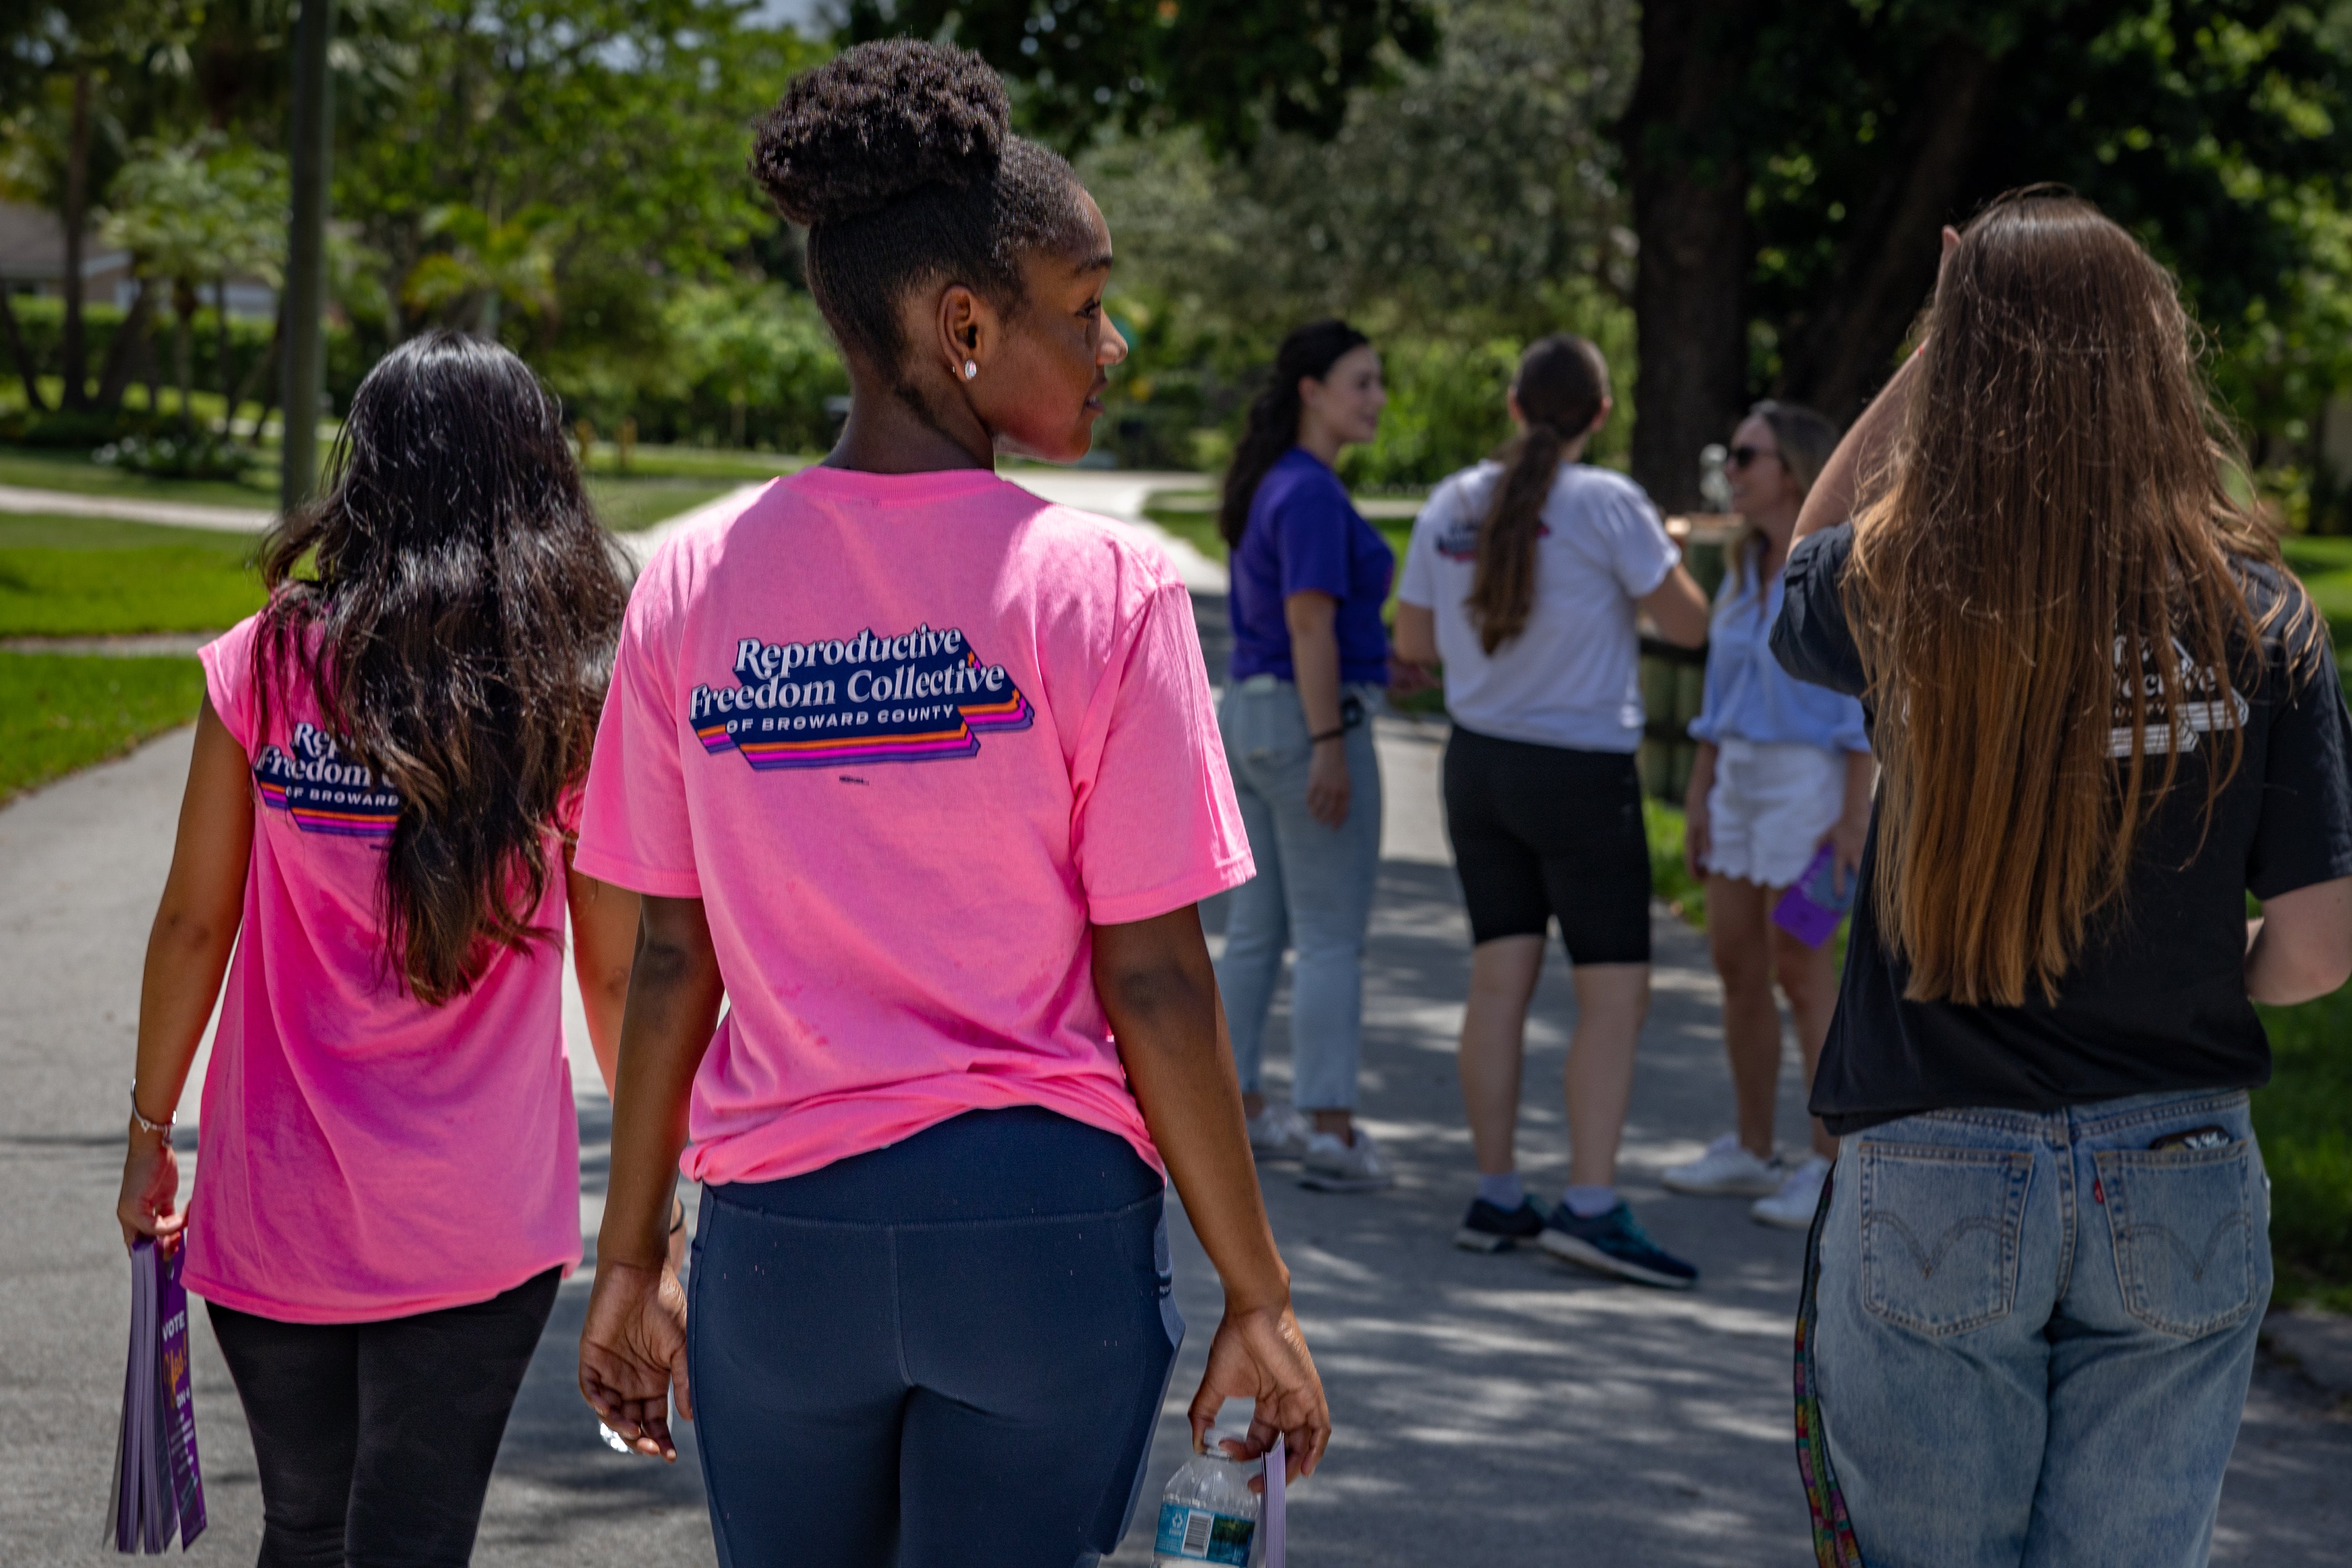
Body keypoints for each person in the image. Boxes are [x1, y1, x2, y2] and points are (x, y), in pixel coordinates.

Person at [571, 41, 1330, 1568]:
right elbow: (1160, 976)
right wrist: (1259, 1298)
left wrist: (631, 1258)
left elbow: (669, 958)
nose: (1113, 344)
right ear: (965, 323)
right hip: (1037, 1239)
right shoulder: (1100, 587)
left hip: (783, 1256)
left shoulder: (694, 587)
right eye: (1089, 302)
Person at [1776, 191, 2352, 1567]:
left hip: (1933, 1160)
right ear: (2160, 358)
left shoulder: (1905, 583)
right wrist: (2193, 967)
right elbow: (2324, 946)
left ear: (1963, 369)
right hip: (2182, 1161)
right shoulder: (2263, 613)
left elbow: (1799, 559)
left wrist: (1941, 339)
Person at [112, 331, 641, 1567]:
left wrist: (151, 1135)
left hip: (272, 1204)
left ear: (372, 470)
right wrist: (651, 1205)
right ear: (538, 474)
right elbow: (616, 970)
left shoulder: (270, 661)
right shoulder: (573, 686)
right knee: (413, 1537)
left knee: (302, 1523)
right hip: (479, 1221)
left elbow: (196, 917)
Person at [1392, 334, 1713, 1287]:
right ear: (1600, 415)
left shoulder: (1452, 501)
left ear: (1513, 405)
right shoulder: (1609, 502)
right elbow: (1690, 625)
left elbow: (1415, 639)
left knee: (1501, 982)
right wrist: (1659, 552)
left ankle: (1497, 1194)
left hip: (1479, 766)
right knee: (1613, 995)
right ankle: (1590, 1203)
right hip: (1579, 771)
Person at [1663, 401, 1872, 1229]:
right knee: (1736, 963)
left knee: (1802, 967)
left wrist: (1854, 819)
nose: (1733, 473)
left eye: (1747, 457)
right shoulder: (1744, 568)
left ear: (1791, 466)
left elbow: (1865, 702)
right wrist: (1701, 791)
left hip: (1813, 789)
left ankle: (1829, 1167)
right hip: (1740, 782)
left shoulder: (1836, 568)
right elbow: (1724, 697)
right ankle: (1752, 1148)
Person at [1213, 318, 1399, 1192]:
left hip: (1248, 717)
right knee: (1330, 937)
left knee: (1257, 934)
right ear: (1311, 392)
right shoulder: (1314, 493)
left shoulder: (1272, 485)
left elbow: (1308, 622)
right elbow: (1308, 622)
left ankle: (1239, 1109)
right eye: (1361, 382)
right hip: (1307, 725)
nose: (1377, 399)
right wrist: (1330, 742)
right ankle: (1331, 1127)